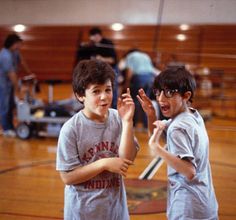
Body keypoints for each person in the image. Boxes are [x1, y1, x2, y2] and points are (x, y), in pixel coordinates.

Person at [56, 59, 139, 220]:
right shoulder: (71, 129)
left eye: (108, 90)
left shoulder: (118, 118)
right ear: (80, 95)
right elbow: (68, 177)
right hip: (83, 213)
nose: (104, 97)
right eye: (96, 91)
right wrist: (104, 163)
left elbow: (127, 159)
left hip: (116, 211)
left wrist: (128, 121)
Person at [137, 67, 218, 219]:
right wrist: (151, 115)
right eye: (158, 91)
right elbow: (156, 133)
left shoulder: (177, 127)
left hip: (187, 206)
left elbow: (189, 171)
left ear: (186, 95)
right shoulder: (192, 115)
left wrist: (157, 149)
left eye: (169, 92)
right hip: (205, 202)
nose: (161, 98)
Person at [76, 27, 118, 109]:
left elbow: (113, 60)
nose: (94, 39)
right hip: (98, 73)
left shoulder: (107, 43)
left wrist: (101, 59)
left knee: (112, 91)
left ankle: (113, 110)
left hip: (110, 71)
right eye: (92, 37)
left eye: (96, 36)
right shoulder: (90, 45)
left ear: (99, 36)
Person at [0, 33, 32, 137]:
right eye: (18, 44)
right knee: (4, 106)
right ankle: (5, 129)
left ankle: (10, 126)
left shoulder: (14, 52)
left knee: (11, 105)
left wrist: (30, 73)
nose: (19, 47)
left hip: (10, 82)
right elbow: (11, 74)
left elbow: (21, 62)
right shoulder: (5, 55)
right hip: (3, 83)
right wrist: (17, 90)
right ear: (13, 44)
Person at [123, 48, 158, 130]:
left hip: (138, 78)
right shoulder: (146, 55)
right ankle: (146, 125)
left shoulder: (130, 56)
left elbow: (130, 71)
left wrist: (126, 84)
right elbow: (153, 70)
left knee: (135, 101)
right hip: (150, 78)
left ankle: (133, 125)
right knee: (146, 101)